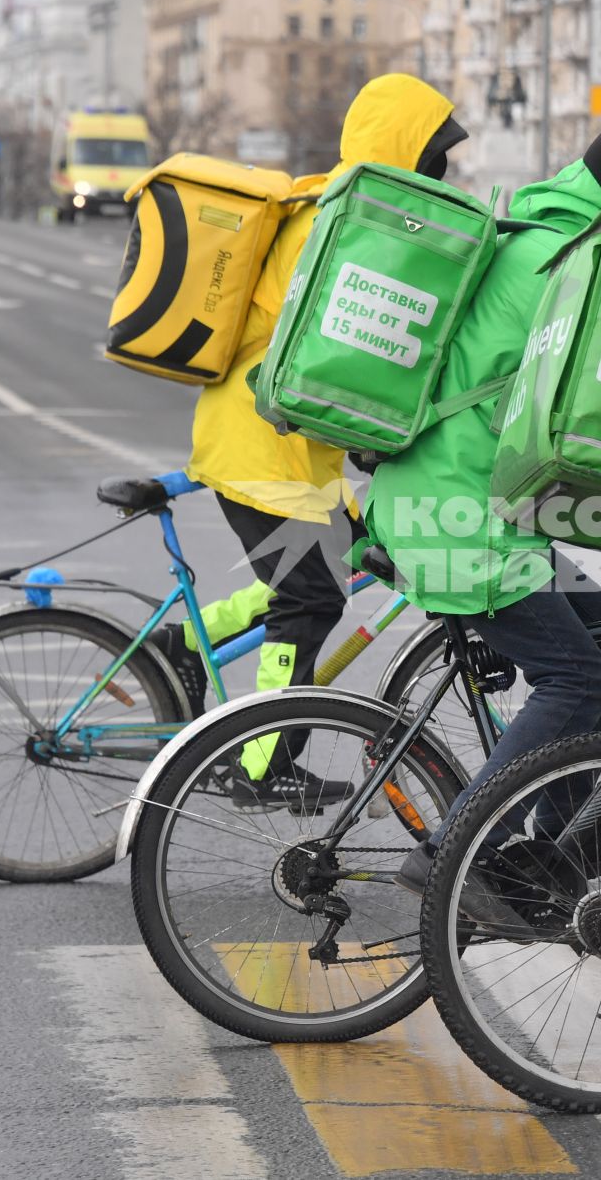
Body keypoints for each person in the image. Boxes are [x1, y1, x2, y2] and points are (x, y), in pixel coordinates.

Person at [378, 117, 601, 908]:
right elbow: (592, 409)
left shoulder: (548, 230)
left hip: (462, 497)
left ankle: (569, 833)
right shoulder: (571, 258)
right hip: (457, 510)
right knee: (571, 673)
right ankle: (458, 849)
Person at [149, 73, 469, 811]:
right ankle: (263, 764)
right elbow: (335, 352)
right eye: (434, 157)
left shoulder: (354, 214)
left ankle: (187, 646)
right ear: (405, 155)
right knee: (311, 593)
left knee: (346, 561)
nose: (442, 172)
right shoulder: (337, 225)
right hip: (263, 447)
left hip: (283, 448)